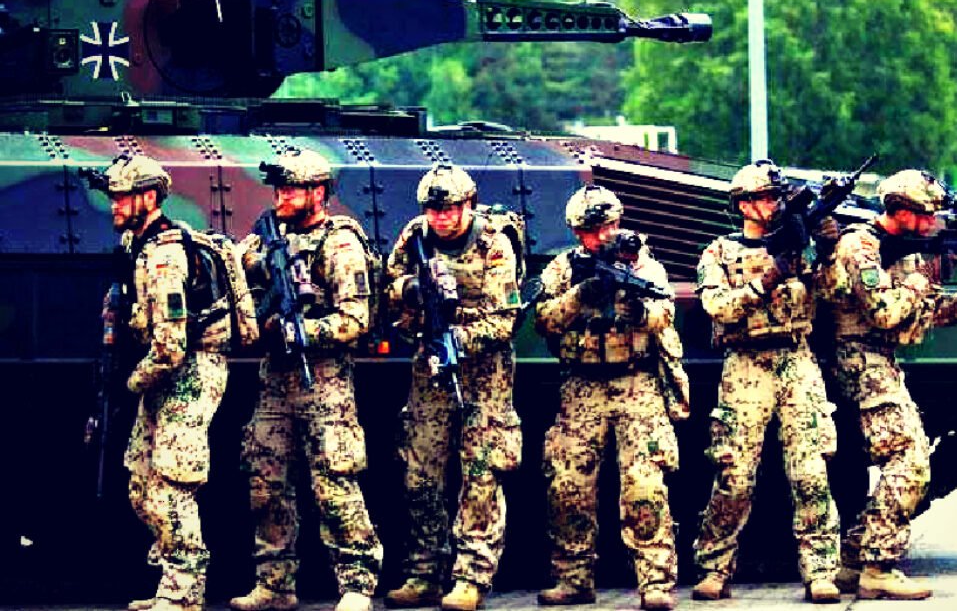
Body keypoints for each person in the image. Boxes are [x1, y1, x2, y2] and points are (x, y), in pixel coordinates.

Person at [820, 169, 957, 600]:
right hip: (858, 359)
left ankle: (853, 560)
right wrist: (921, 280)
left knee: (909, 457)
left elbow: (932, 314)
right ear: (899, 210)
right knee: (911, 460)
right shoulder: (859, 245)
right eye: (924, 215)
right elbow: (884, 313)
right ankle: (877, 567)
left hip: (882, 360)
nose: (931, 223)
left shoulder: (908, 253)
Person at [232, 149, 382, 611]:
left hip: (324, 379)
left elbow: (356, 319)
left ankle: (357, 583)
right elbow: (237, 268)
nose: (281, 197)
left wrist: (305, 332)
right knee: (266, 480)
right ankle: (275, 583)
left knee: (334, 483)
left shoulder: (340, 244)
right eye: (278, 189)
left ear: (318, 192)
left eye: (291, 189)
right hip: (275, 379)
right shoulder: (267, 237)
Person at [690, 161, 841, 604]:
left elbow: (834, 292)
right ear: (743, 205)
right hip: (746, 364)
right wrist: (767, 279)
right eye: (765, 198)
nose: (774, 205)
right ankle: (714, 567)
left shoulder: (801, 245)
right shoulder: (719, 253)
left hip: (796, 359)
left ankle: (821, 571)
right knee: (734, 475)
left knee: (810, 472)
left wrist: (827, 249)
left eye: (777, 197)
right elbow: (718, 307)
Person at [534, 185, 683, 611]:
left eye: (611, 226)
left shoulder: (642, 263)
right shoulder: (563, 269)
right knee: (568, 486)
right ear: (577, 232)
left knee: (645, 486)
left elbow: (664, 311)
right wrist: (580, 296)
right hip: (582, 386)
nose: (605, 236)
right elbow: (543, 320)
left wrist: (638, 311)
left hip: (636, 383)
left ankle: (655, 582)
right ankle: (573, 578)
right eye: (594, 229)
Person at [384, 165, 522, 611]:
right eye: (433, 210)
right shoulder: (415, 236)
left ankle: (471, 576)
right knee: (420, 471)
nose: (440, 218)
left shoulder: (494, 244)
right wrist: (411, 290)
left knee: (481, 473)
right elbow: (389, 286)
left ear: (469, 205)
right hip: (430, 370)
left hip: (484, 373)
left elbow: (505, 320)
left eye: (449, 209)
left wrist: (459, 338)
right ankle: (424, 572)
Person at [103, 154, 229, 611]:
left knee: (172, 486)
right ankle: (170, 583)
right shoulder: (136, 246)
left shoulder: (165, 257)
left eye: (123, 197)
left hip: (188, 372)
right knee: (141, 484)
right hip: (160, 375)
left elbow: (171, 347)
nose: (115, 205)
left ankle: (183, 593)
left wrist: (129, 383)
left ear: (149, 198)